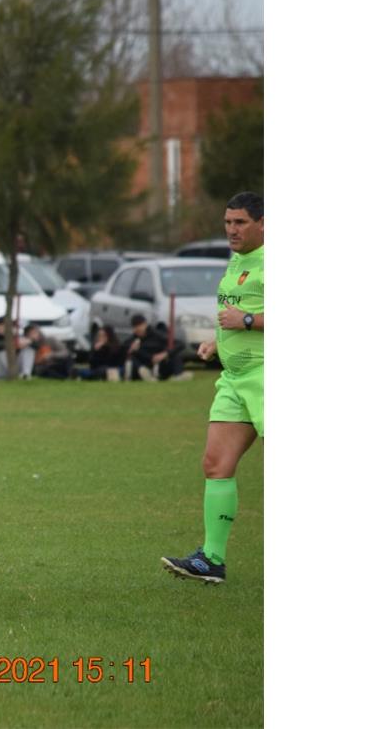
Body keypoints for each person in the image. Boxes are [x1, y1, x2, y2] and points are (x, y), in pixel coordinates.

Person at [162, 191, 264, 584]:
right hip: (235, 380)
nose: (232, 230)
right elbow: (233, 316)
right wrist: (218, 341)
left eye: (240, 223)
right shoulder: (236, 261)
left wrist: (249, 321)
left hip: (266, 376)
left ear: (262, 224)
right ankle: (212, 559)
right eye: (228, 222)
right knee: (215, 465)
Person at [126, 314, 187, 381]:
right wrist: (132, 350)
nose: (137, 329)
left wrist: (165, 354)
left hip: (159, 365)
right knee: (132, 357)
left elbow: (180, 344)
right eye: (135, 327)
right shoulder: (132, 340)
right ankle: (144, 373)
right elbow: (122, 351)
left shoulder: (157, 335)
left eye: (139, 326)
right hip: (142, 366)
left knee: (175, 355)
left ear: (145, 324)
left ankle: (179, 375)